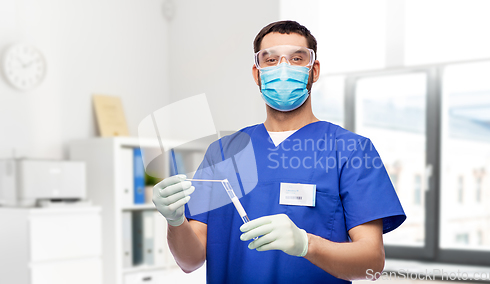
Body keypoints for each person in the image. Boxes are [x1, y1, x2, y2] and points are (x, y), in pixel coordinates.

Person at [152, 20, 406, 284]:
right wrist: (175, 220)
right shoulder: (223, 152)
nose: (283, 69)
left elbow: (372, 263)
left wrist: (307, 244)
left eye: (296, 58)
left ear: (313, 70)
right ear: (257, 73)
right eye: (271, 60)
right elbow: (189, 261)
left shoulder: (351, 150)